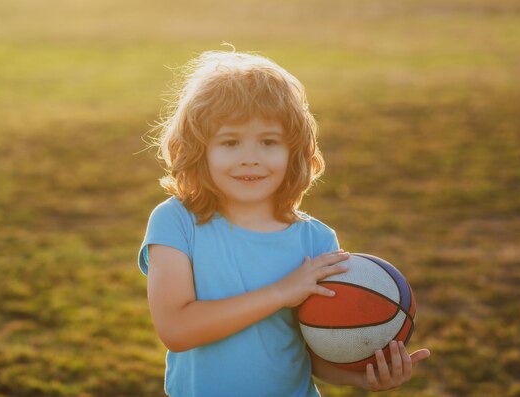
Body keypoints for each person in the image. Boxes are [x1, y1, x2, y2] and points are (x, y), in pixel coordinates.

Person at [138, 49, 430, 396]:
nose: (251, 159)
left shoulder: (316, 241)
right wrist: (280, 293)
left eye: (269, 142)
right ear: (200, 150)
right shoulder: (176, 221)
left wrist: (360, 377)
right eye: (230, 142)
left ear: (294, 151)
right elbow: (176, 329)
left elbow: (310, 350)